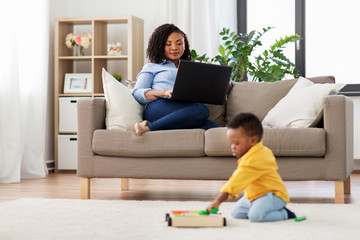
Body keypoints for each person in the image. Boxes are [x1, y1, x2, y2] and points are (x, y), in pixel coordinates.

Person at [206, 113, 296, 222]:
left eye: (236, 143)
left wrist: (218, 200)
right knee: (236, 213)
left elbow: (235, 182)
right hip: (254, 196)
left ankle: (285, 213)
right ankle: (260, 207)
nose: (233, 147)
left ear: (253, 140)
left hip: (273, 195)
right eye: (231, 144)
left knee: (256, 216)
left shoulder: (256, 159)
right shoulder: (254, 153)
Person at [132, 23, 218, 136]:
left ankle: (160, 125)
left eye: (179, 43)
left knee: (215, 129)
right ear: (160, 46)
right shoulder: (152, 66)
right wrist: (164, 92)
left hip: (185, 108)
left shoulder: (193, 68)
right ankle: (148, 128)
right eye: (168, 44)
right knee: (202, 110)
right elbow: (137, 93)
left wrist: (224, 84)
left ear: (185, 45)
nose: (174, 48)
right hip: (159, 106)